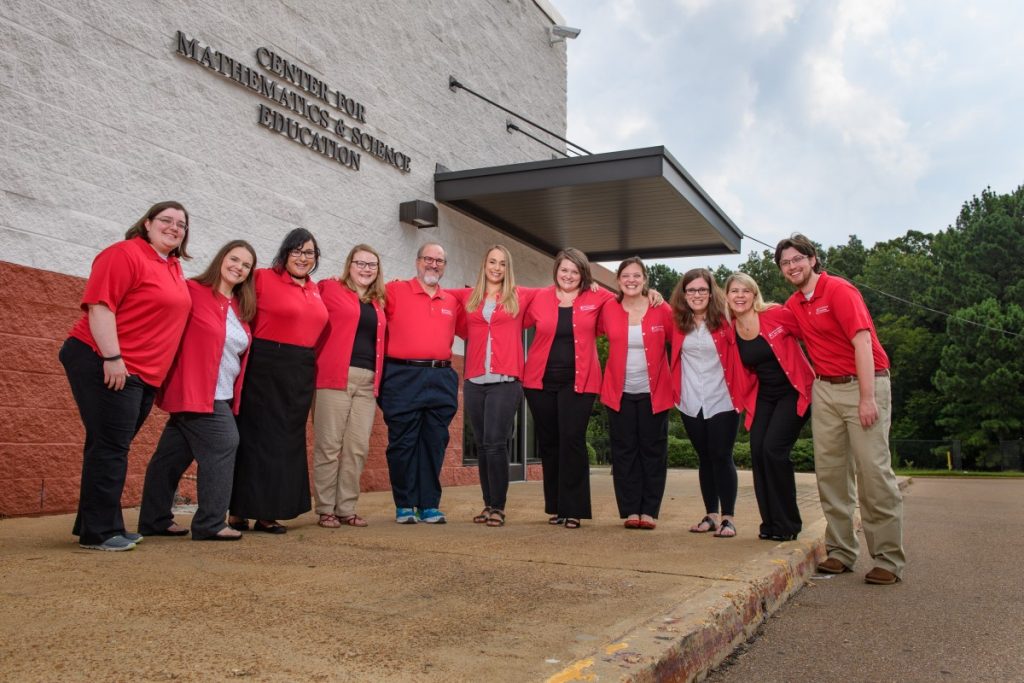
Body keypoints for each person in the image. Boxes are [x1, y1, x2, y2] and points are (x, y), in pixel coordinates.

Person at [59, 201, 193, 551]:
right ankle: (100, 533)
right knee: (111, 447)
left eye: (181, 224)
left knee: (106, 445)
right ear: (147, 223)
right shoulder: (124, 254)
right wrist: (113, 357)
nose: (174, 227)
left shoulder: (173, 266)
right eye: (166, 220)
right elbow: (101, 306)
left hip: (142, 373)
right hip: (104, 360)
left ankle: (93, 523)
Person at [775, 233, 905, 585]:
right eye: (785, 263)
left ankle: (888, 560)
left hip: (863, 383)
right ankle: (842, 551)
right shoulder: (793, 305)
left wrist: (867, 398)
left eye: (797, 259)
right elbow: (761, 320)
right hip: (825, 389)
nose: (792, 266)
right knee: (831, 473)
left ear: (812, 259)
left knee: (873, 473)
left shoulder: (839, 290)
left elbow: (862, 341)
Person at [137, 240, 257, 541]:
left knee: (171, 456)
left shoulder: (241, 307)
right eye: (234, 259)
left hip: (222, 392)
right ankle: (210, 523)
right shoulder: (192, 291)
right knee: (225, 442)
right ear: (220, 258)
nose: (238, 267)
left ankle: (154, 519)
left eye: (246, 265)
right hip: (196, 389)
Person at [229, 229, 328, 534]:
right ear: (285, 254)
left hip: (299, 369)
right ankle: (239, 511)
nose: (302, 258)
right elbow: (232, 307)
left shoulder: (315, 290)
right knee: (256, 440)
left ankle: (269, 511)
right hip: (265, 364)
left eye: (309, 253)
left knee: (287, 441)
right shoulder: (261, 278)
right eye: (296, 251)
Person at [522, 248, 614, 530]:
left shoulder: (597, 297)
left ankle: (574, 509)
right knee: (550, 444)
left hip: (580, 383)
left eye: (575, 271)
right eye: (564, 270)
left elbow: (628, 299)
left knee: (572, 441)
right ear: (556, 271)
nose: (569, 276)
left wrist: (654, 295)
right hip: (539, 382)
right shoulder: (539, 297)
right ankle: (557, 507)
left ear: (583, 274)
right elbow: (507, 305)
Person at [453, 245, 538, 528]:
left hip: (505, 381)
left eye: (502, 263)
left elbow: (558, 293)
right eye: (492, 261)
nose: (497, 268)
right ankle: (487, 504)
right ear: (484, 264)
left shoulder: (519, 296)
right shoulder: (468, 297)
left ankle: (498, 507)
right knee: (481, 443)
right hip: (475, 380)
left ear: (507, 268)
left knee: (495, 442)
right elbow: (433, 294)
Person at [725, 272, 813, 542]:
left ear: (754, 294)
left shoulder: (776, 313)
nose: (740, 296)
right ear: (726, 297)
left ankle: (788, 524)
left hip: (793, 391)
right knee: (758, 452)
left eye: (745, 291)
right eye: (734, 291)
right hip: (764, 396)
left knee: (774, 451)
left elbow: (810, 333)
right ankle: (770, 524)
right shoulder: (731, 329)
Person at [379, 243, 461, 524]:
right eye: (428, 259)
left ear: (445, 267)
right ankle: (404, 504)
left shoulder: (451, 301)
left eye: (439, 261)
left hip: (440, 377)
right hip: (403, 376)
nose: (433, 265)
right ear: (417, 262)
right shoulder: (394, 291)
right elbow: (362, 296)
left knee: (434, 443)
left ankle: (428, 504)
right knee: (403, 443)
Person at [312, 244, 387, 529]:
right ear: (349, 264)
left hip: (367, 382)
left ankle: (346, 507)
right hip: (333, 377)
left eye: (372, 265)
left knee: (357, 447)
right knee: (329, 446)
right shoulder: (329, 288)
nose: (366, 269)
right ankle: (326, 509)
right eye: (361, 263)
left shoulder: (378, 302)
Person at [599, 257, 675, 530]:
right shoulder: (607, 307)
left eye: (637, 276)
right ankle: (631, 509)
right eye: (626, 276)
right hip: (618, 393)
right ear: (618, 280)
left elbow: (678, 341)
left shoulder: (660, 307)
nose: (631, 280)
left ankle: (650, 511)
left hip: (653, 393)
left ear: (645, 279)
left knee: (653, 452)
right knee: (624, 452)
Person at [669, 268, 745, 538]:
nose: (697, 295)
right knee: (704, 458)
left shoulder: (727, 320)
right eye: (691, 290)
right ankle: (711, 514)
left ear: (711, 292)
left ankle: (728, 518)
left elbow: (752, 311)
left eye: (702, 289)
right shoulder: (677, 321)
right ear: (684, 294)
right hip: (690, 401)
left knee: (721, 456)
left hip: (723, 398)